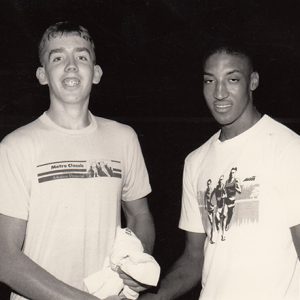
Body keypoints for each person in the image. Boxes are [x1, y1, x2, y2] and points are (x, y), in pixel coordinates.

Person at [0, 21, 155, 300]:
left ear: (95, 73)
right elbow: (5, 258)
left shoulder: (124, 138)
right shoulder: (16, 146)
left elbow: (139, 214)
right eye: (57, 57)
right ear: (42, 75)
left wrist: (136, 267)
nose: (71, 66)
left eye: (81, 56)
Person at [140, 43, 300, 300]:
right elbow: (194, 257)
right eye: (209, 81)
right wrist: (154, 297)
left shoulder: (289, 149)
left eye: (233, 79)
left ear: (253, 81)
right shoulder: (196, 161)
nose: (219, 93)